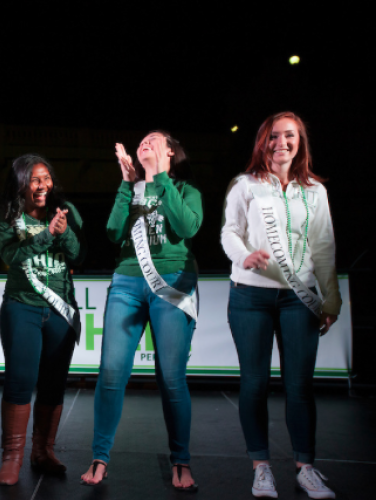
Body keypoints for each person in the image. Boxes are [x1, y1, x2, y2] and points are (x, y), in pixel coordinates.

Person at [221, 112, 341, 499]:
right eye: (273, 136)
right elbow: (229, 232)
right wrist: (243, 256)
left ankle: (306, 467)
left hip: (299, 298)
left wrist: (331, 298)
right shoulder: (245, 186)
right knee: (254, 384)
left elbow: (323, 248)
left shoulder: (315, 192)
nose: (281, 143)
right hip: (250, 296)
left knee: (300, 386)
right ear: (263, 142)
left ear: (300, 141)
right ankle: (261, 468)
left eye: (289, 136)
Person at [81, 132, 202, 491]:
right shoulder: (131, 191)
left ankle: (181, 460)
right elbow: (113, 231)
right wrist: (125, 183)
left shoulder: (186, 189)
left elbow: (186, 227)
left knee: (170, 377)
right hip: (128, 283)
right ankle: (100, 456)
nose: (145, 141)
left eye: (154, 139)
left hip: (172, 282)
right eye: (142, 139)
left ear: (169, 151)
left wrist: (159, 177)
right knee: (111, 371)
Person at [0, 154, 85, 486]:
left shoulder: (66, 210)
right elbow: (12, 256)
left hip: (60, 309)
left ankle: (42, 451)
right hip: (22, 305)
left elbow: (77, 254)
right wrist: (46, 234)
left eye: (46, 178)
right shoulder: (6, 216)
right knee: (19, 379)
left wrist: (62, 231)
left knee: (54, 383)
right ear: (21, 184)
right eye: (34, 179)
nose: (42, 184)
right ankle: (12, 457)